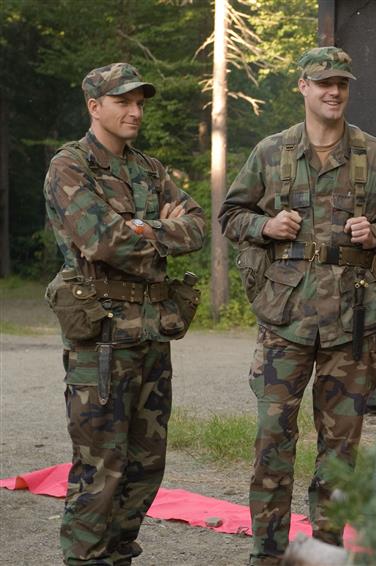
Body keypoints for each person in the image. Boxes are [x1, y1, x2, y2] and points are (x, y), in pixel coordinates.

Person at [219, 46, 376, 564]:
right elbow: (229, 214)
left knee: (340, 453)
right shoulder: (272, 152)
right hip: (284, 321)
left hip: (351, 326)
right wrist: (264, 225)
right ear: (303, 87)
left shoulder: (375, 155)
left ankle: (324, 553)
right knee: (273, 441)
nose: (334, 92)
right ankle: (267, 554)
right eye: (323, 83)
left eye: (342, 84)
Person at [43, 62, 205, 565]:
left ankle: (117, 558)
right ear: (96, 107)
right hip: (103, 342)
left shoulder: (150, 169)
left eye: (140, 102)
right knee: (100, 470)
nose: (135, 111)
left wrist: (140, 227)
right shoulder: (70, 167)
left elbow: (197, 226)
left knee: (144, 467)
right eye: (123, 102)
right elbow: (101, 240)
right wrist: (159, 228)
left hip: (152, 337)